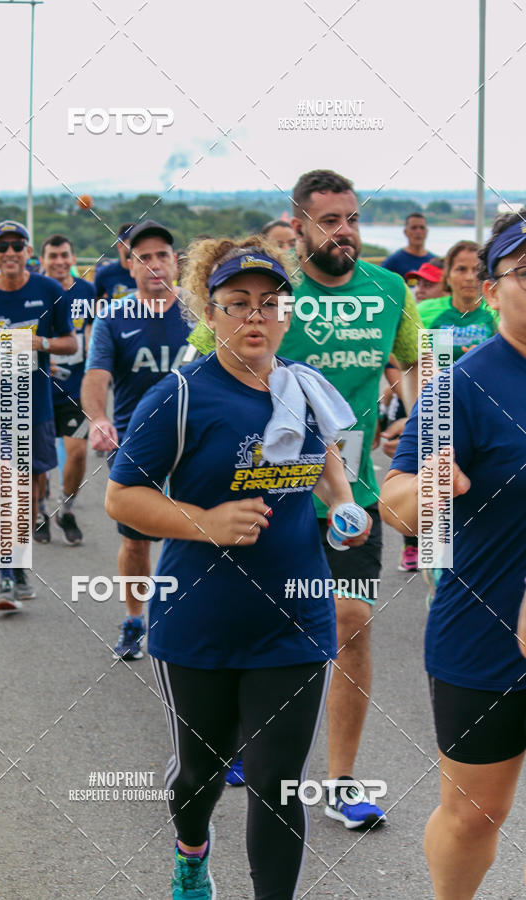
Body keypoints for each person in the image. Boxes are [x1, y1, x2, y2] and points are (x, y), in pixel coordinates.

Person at [106, 235, 370, 900]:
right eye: (238, 303)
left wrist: (342, 505)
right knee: (199, 772)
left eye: (270, 303)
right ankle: (192, 852)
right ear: (210, 312)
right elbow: (122, 495)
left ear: (287, 313)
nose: (256, 316)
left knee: (278, 781)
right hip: (200, 619)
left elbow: (326, 455)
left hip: (293, 618)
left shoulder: (303, 388)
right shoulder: (180, 395)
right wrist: (206, 522)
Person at [379, 209, 526, 900]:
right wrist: (430, 484)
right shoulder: (460, 386)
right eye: (525, 272)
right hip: (484, 630)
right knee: (474, 814)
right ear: (492, 290)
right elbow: (395, 502)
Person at [276, 169, 421, 829]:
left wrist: (422, 435)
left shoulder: (391, 290)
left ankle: (339, 782)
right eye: (331, 221)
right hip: (271, 492)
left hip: (352, 498)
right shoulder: (271, 295)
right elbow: (210, 365)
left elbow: (417, 366)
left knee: (351, 625)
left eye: (353, 220)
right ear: (301, 223)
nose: (345, 233)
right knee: (267, 630)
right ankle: (251, 742)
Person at [0, 220, 76, 611]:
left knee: (26, 492)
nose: (9, 252)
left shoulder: (49, 290)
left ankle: (18, 562)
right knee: (2, 487)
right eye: (1, 246)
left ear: (28, 252)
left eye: (17, 245)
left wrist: (40, 342)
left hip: (32, 406)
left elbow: (71, 342)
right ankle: (6, 573)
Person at [81, 219, 191, 660]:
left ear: (175, 262)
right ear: (130, 266)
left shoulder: (199, 311)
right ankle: (134, 619)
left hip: (197, 440)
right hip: (135, 443)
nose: (155, 265)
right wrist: (98, 419)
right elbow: (96, 376)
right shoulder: (113, 317)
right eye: (143, 257)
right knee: (137, 538)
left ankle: (189, 615)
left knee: (197, 530)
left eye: (162, 255)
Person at [35, 233, 95, 545]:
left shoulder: (86, 291)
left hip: (76, 389)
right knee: (41, 461)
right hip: (39, 388)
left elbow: (93, 335)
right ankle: (40, 510)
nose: (59, 262)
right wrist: (43, 359)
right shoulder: (33, 290)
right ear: (42, 260)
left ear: (72, 258)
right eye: (53, 256)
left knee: (78, 452)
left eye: (64, 255)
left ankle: (66, 510)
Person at [418, 240, 497, 362]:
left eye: (476, 270)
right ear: (447, 277)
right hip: (440, 381)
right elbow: (402, 359)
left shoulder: (497, 312)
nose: (470, 277)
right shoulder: (424, 311)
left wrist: (485, 358)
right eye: (461, 269)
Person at [381, 212, 435, 277]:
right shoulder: (393, 261)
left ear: (427, 231)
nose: (418, 231)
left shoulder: (434, 261)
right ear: (405, 232)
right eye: (414, 228)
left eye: (422, 228)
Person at [94, 223, 136, 302]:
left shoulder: (146, 272)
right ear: (120, 246)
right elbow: (95, 299)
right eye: (132, 242)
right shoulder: (105, 273)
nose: (135, 246)